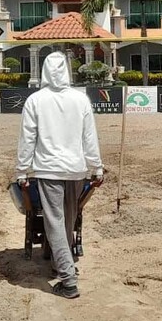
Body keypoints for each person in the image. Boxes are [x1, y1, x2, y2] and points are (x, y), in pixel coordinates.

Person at [16, 51, 104, 300]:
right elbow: (90, 138)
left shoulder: (35, 101)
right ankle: (60, 264)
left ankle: (68, 280)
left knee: (54, 222)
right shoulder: (81, 99)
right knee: (68, 220)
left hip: (48, 170)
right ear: (67, 70)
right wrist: (96, 167)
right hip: (76, 171)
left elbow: (27, 139)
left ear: (44, 70)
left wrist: (22, 170)